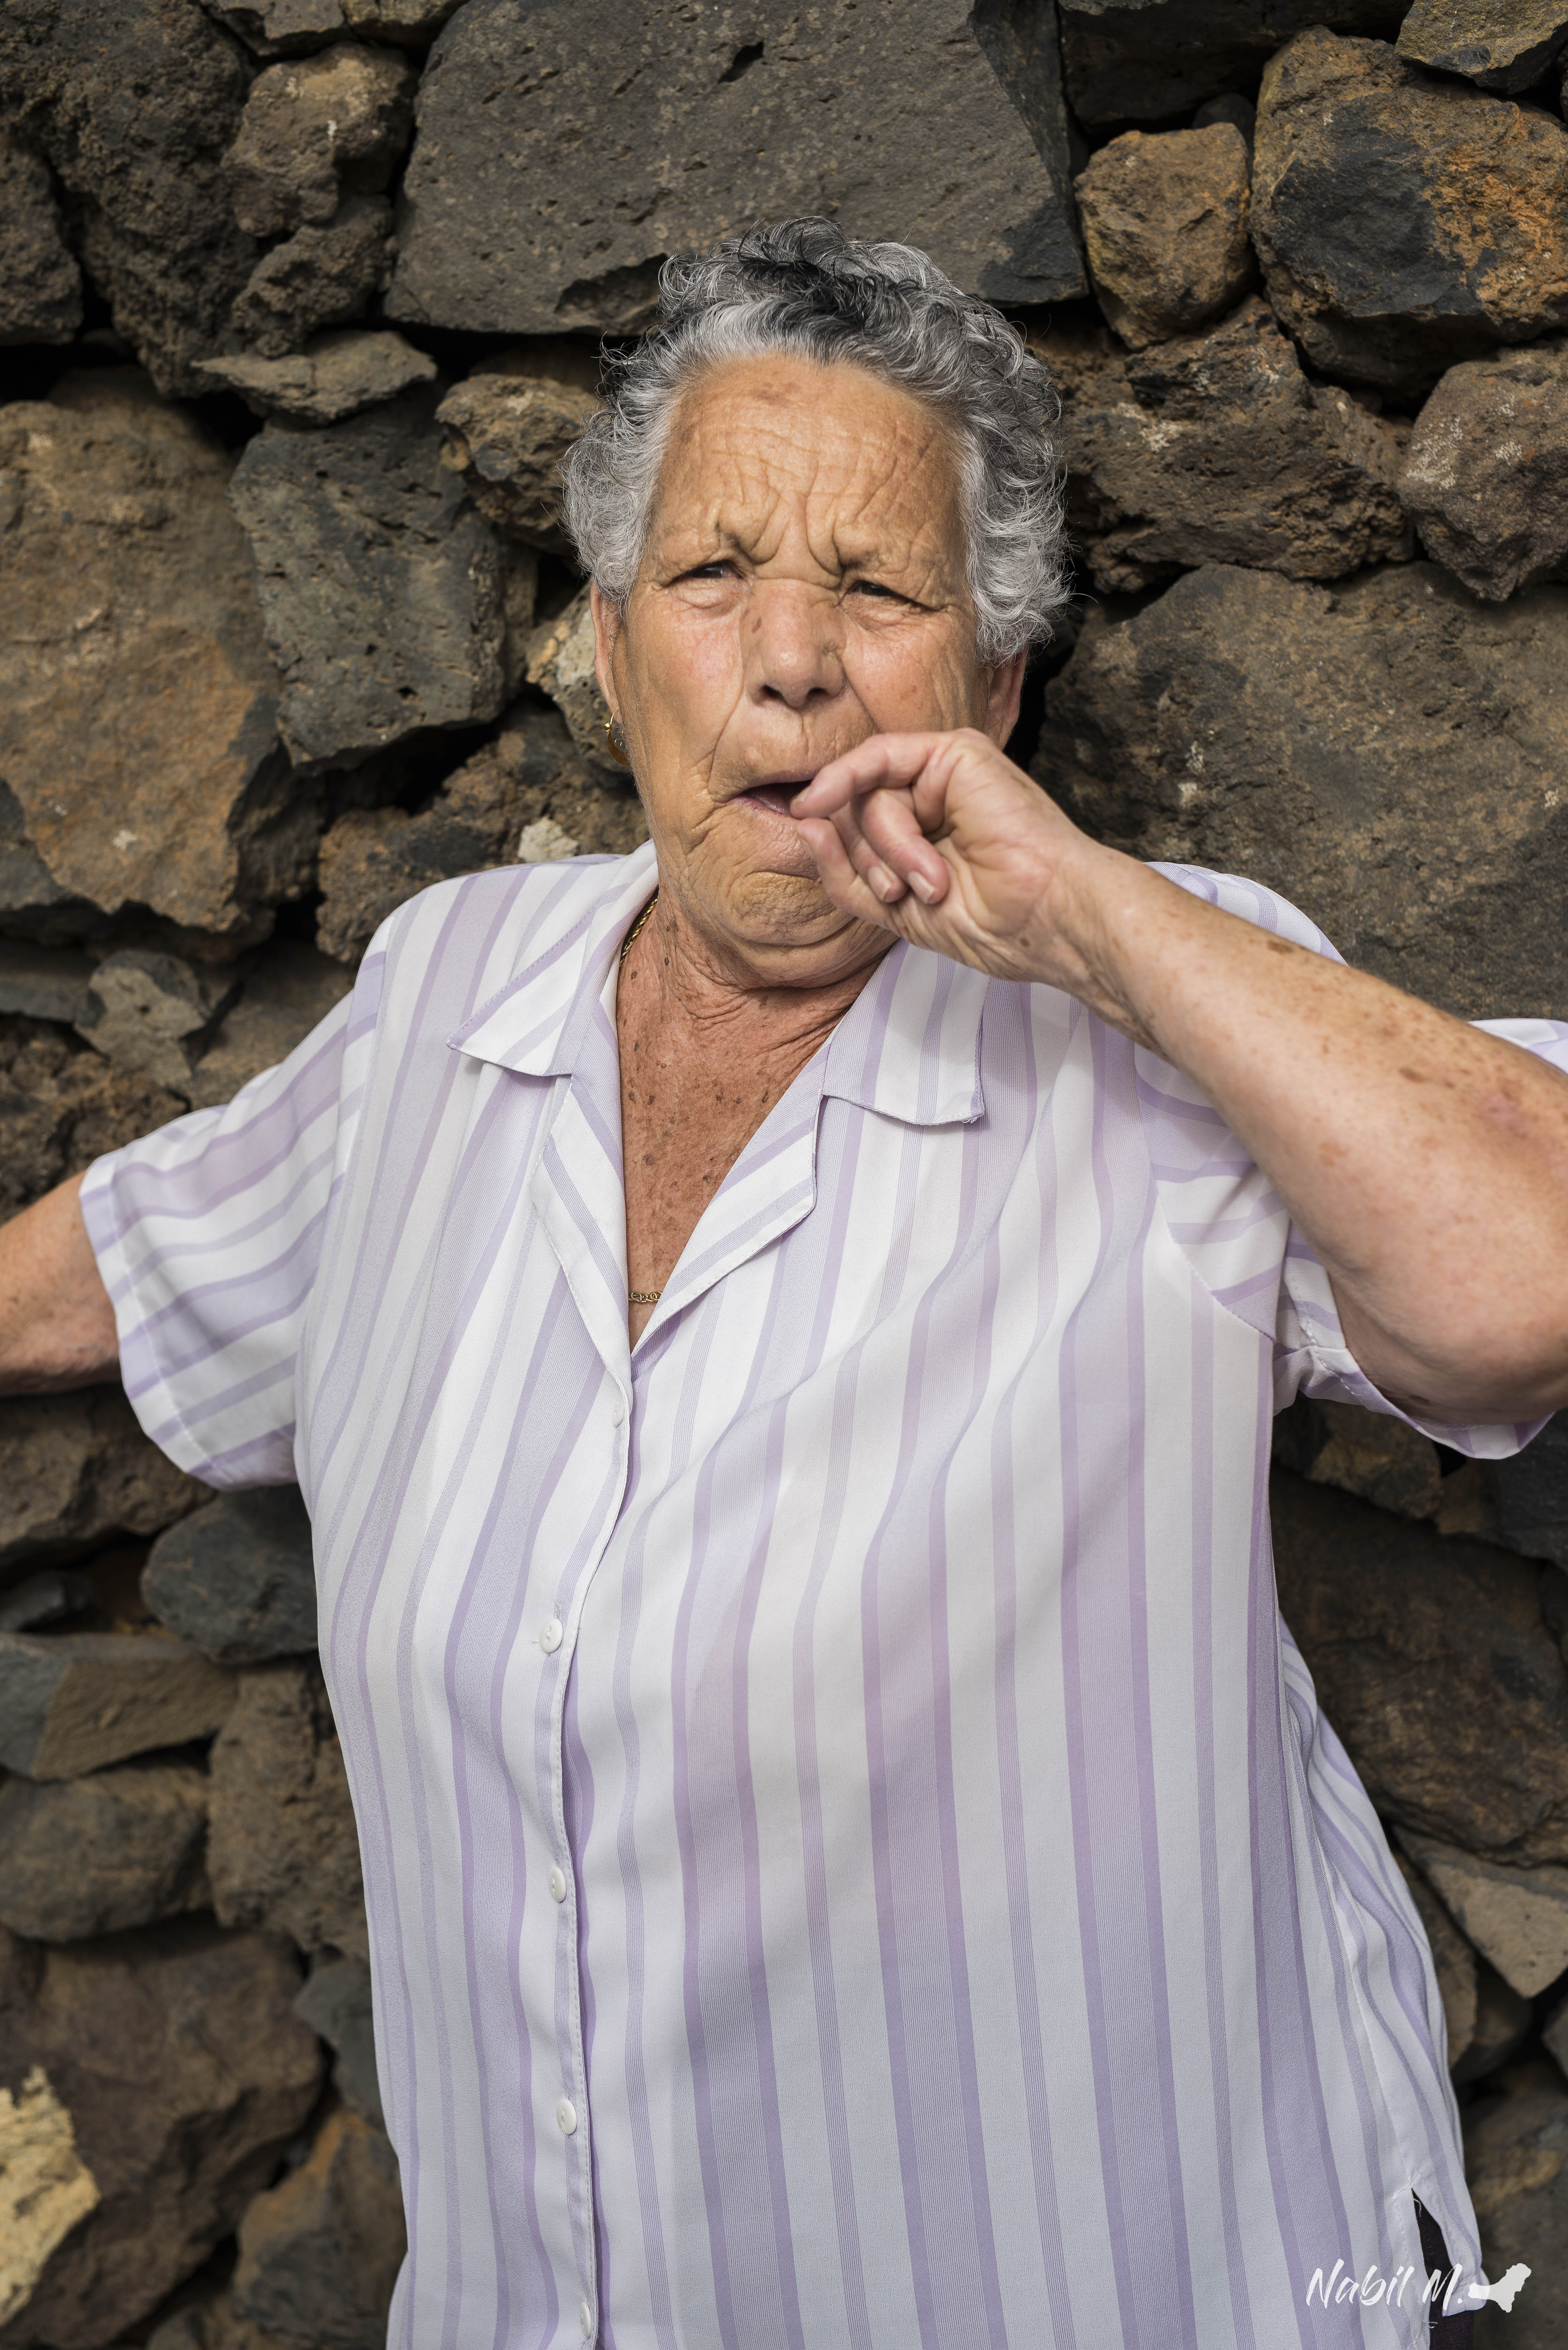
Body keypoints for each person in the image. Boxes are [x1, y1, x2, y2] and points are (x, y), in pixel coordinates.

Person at [6, 220, 1567, 2350]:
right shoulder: (455, 990)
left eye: (885, 593)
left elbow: (1528, 1267)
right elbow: (142, 1253)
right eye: (715, 574)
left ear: (995, 689)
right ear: (614, 644)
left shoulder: (1157, 997)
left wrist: (1094, 918)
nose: (792, 658)